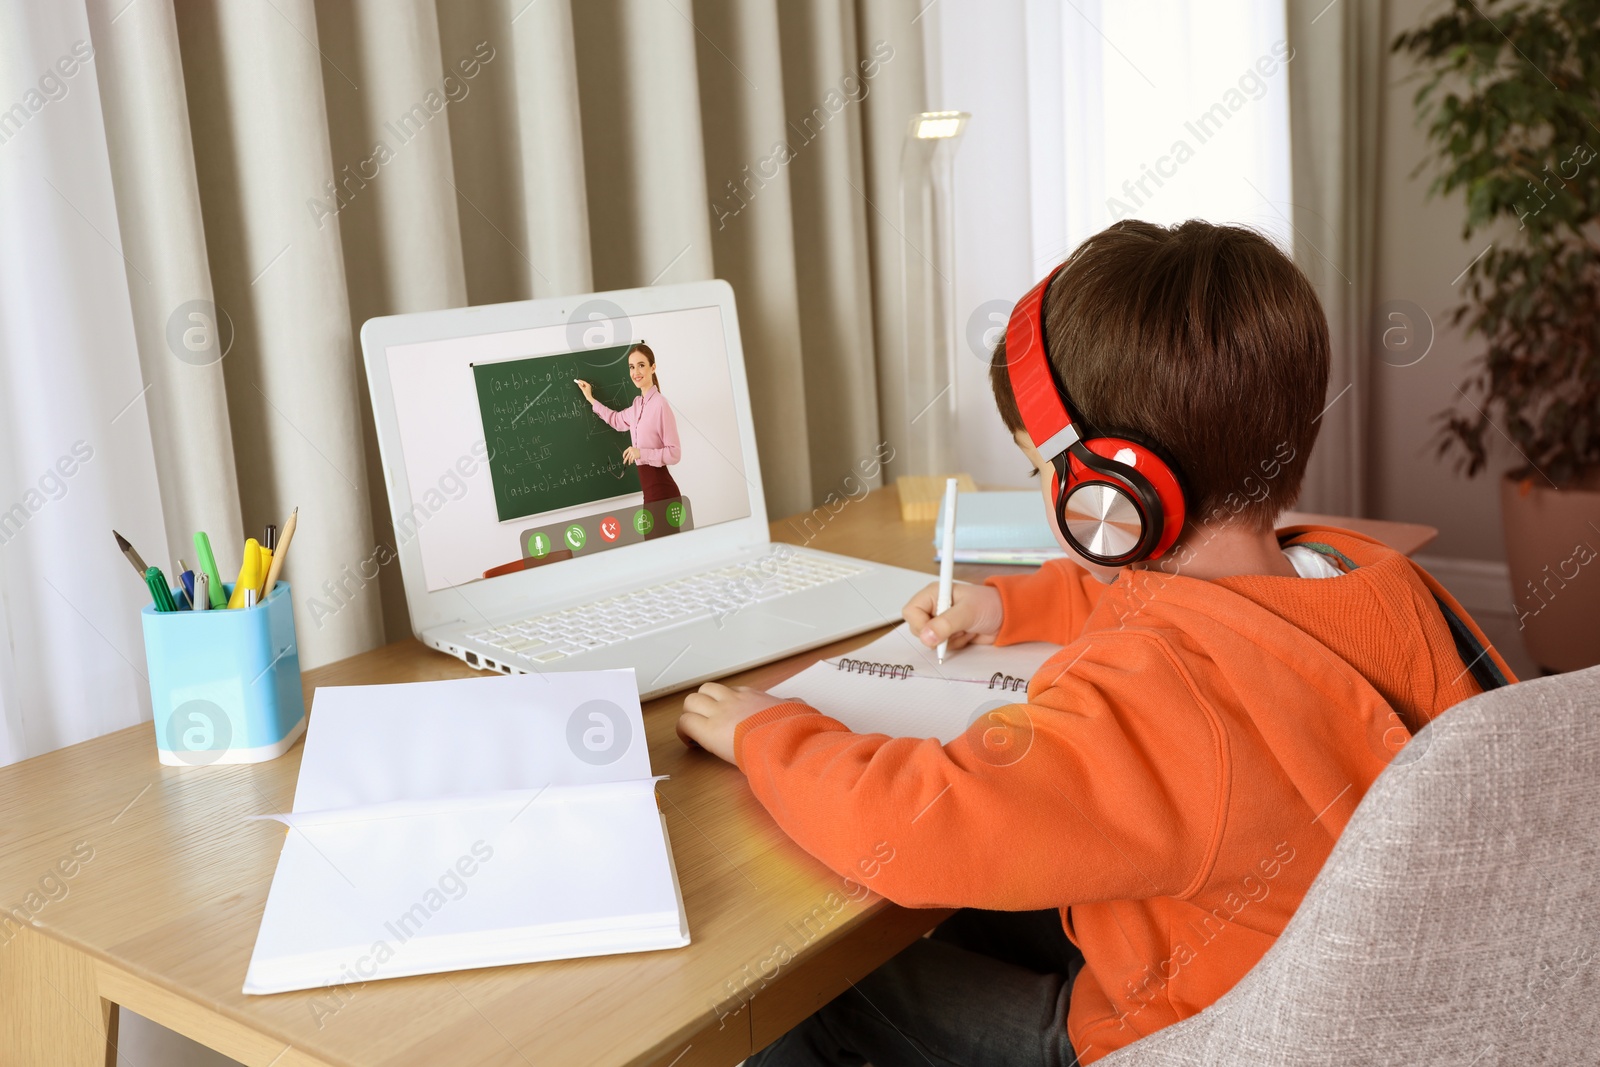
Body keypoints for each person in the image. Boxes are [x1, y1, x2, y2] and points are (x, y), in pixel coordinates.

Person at [675, 220, 1514, 1066]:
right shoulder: (1364, 575)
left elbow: (921, 824)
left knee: (800, 993)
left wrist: (763, 732)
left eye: (1040, 469)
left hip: (1174, 1037)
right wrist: (1007, 607)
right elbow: (1222, 619)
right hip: (1344, 1006)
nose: (1043, 489)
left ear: (1115, 492)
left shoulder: (1154, 690)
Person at [575, 342, 682, 538]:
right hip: (650, 495)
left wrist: (641, 452)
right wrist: (590, 398)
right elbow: (616, 420)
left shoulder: (660, 405)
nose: (636, 372)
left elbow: (674, 453)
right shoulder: (637, 405)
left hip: (664, 494)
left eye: (641, 365)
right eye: (632, 367)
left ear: (653, 367)